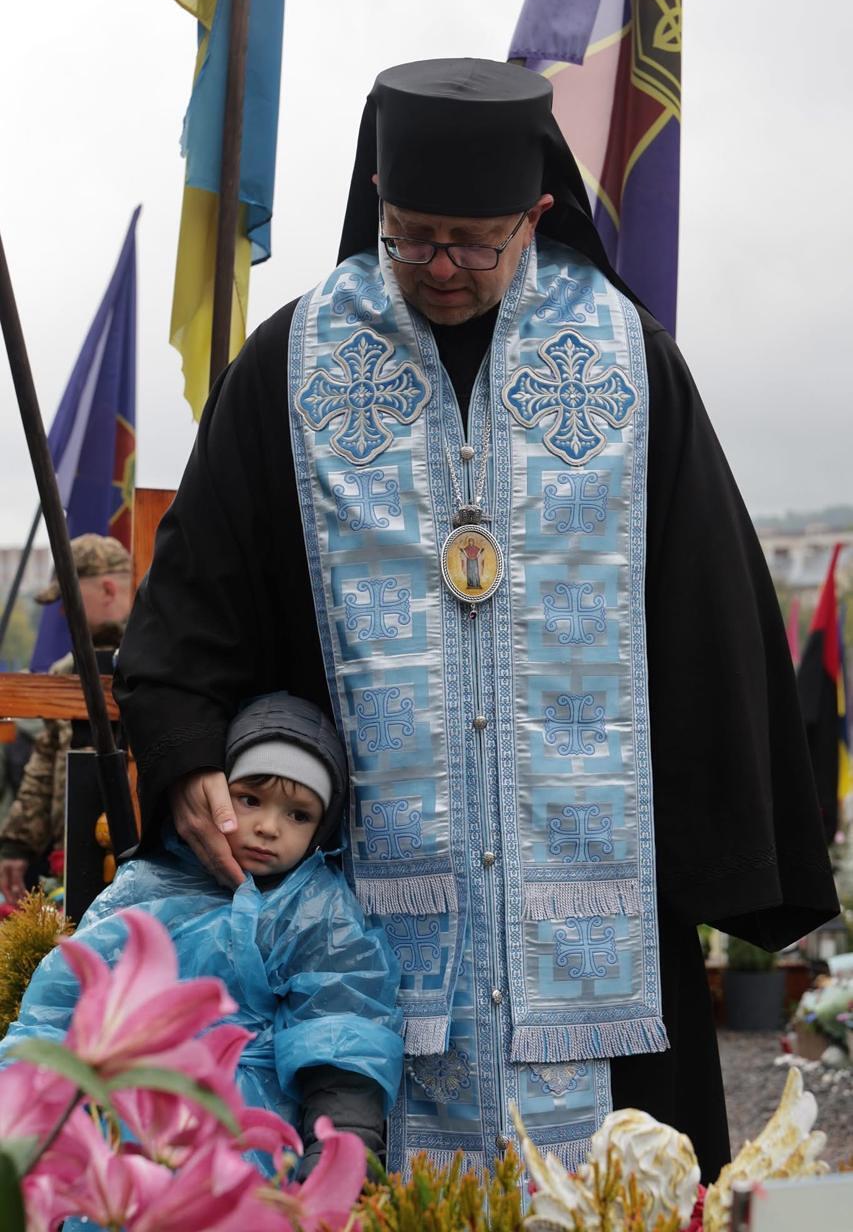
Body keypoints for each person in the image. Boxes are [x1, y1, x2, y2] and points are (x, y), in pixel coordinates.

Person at [115, 58, 838, 1180]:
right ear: (375, 202)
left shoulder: (626, 364)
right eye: (409, 236)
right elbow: (194, 606)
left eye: (472, 240)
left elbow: (709, 621)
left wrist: (724, 848)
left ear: (534, 214)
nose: (439, 267)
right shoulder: (293, 367)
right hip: (352, 936)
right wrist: (186, 751)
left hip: (597, 949)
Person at [0, 691, 403, 1172]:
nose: (268, 827)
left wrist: (337, 1163)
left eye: (298, 814)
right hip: (122, 1135)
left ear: (323, 828)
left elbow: (342, 1039)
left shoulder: (315, 910)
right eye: (249, 799)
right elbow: (60, 1005)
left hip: (244, 1147)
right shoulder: (144, 888)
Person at [0, 534, 133, 907]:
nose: (61, 612)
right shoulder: (66, 672)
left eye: (68, 600)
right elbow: (46, 762)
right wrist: (17, 843)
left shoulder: (159, 664)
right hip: (70, 860)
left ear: (107, 589)